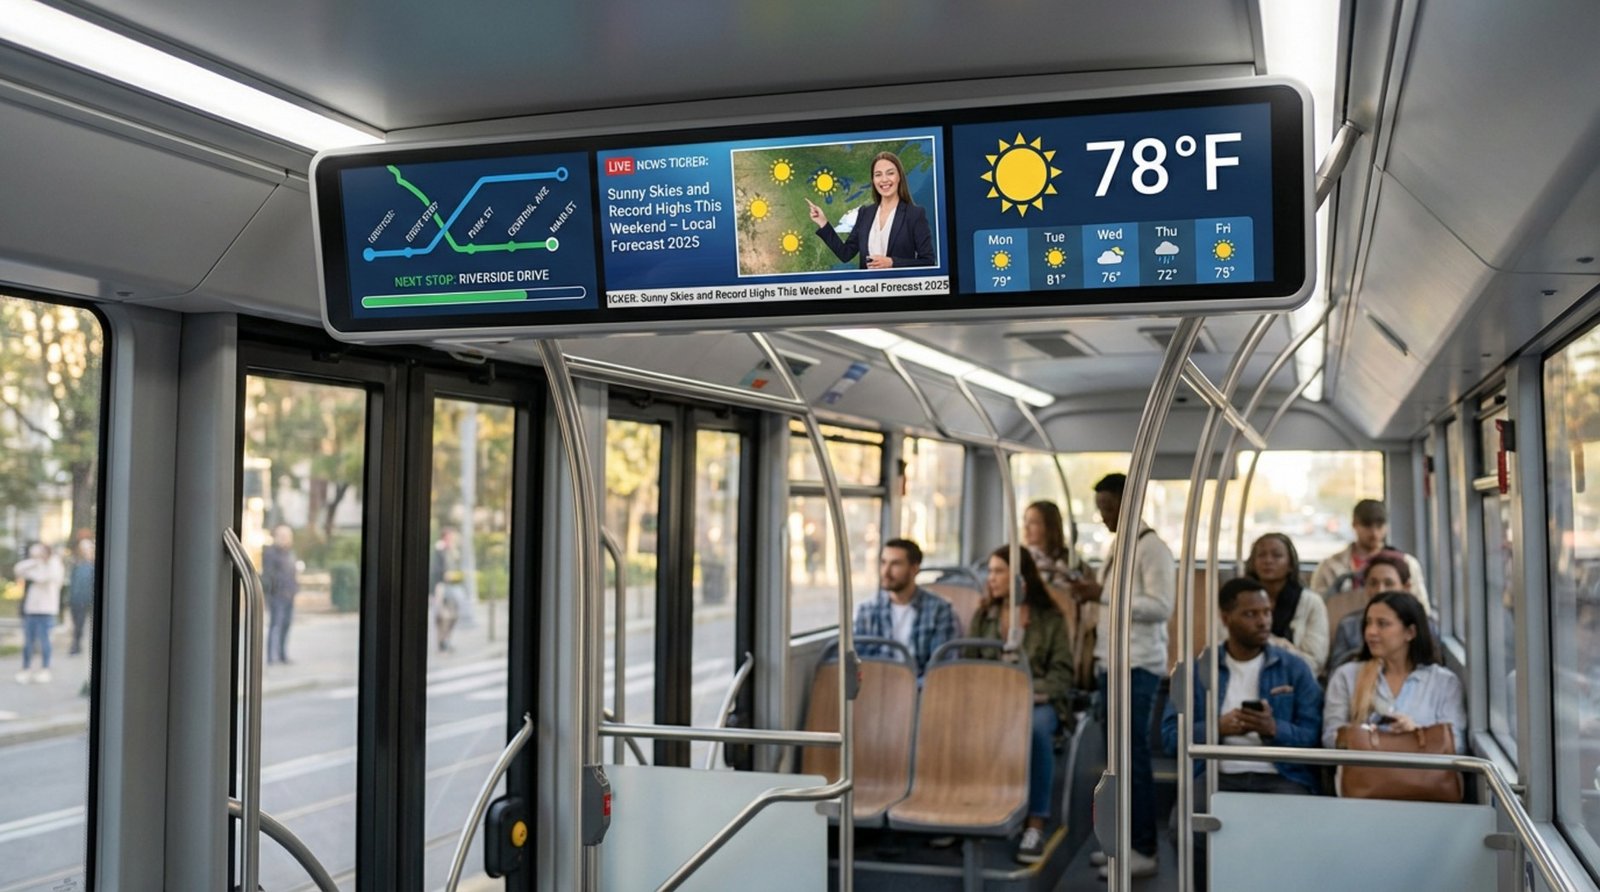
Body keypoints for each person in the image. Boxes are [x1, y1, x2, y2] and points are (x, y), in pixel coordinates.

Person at [1163, 578, 1324, 889]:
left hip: (1281, 775)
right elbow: (1171, 737)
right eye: (1251, 614)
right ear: (1226, 618)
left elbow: (1314, 736)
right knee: (1185, 827)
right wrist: (1217, 728)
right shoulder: (1196, 671)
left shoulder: (1294, 668)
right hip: (1217, 773)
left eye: (1266, 612)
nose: (1263, 621)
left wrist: (1274, 729)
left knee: (1298, 832)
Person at [1068, 473, 1174, 879]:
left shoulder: (1153, 549)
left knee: (1134, 759)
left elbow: (1161, 607)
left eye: (1109, 507)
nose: (1104, 516)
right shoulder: (1118, 546)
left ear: (1130, 505)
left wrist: (1103, 594)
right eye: (1100, 509)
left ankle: (1144, 847)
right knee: (1117, 762)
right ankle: (1122, 843)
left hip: (1138, 666)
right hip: (1112, 663)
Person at [966, 546, 1074, 864]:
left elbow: (1062, 674)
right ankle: (966, 805)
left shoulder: (1050, 619)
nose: (991, 578)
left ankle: (1036, 823)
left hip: (1037, 700)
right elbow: (968, 666)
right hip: (991, 699)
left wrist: (1024, 691)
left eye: (999, 571)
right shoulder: (983, 616)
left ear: (1020, 579)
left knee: (1037, 729)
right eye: (990, 571)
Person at [1323, 591, 1465, 754]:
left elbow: (1456, 745)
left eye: (1382, 624)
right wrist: (1367, 736)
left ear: (1410, 632)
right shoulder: (1346, 676)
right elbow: (1330, 738)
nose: (1371, 631)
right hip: (1366, 770)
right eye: (1368, 623)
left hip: (1421, 770)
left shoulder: (1444, 683)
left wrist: (1416, 733)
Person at [807, 151, 935, 269]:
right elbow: (845, 254)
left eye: (890, 173)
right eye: (878, 175)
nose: (884, 179)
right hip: (867, 286)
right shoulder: (865, 213)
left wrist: (892, 263)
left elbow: (928, 261)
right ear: (873, 180)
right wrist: (823, 222)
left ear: (899, 177)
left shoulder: (914, 214)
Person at [852, 538, 957, 677]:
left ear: (914, 569)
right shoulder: (867, 611)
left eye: (895, 564)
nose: (886, 572)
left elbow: (940, 666)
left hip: (920, 686)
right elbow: (859, 662)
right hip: (876, 685)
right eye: (883, 562)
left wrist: (912, 687)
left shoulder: (939, 610)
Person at [1324, 550, 1440, 673]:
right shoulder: (1348, 625)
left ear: (1406, 587)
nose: (1380, 590)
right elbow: (1336, 672)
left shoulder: (1425, 625)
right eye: (1373, 583)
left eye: (1389, 583)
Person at [1310, 499, 1430, 612]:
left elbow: (1421, 609)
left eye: (1379, 526)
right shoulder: (1329, 567)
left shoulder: (1406, 563)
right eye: (1367, 526)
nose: (1374, 533)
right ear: (1354, 524)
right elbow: (1317, 610)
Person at [1242, 533, 1329, 670]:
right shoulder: (1238, 600)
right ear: (1253, 563)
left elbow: (1315, 661)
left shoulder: (1311, 602)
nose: (1268, 561)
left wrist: (1276, 649)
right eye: (1261, 555)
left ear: (1291, 565)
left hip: (1295, 678)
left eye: (1277, 555)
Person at [15, 542, 64, 683]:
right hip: (31, 610)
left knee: (44, 641)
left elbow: (43, 578)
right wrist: (34, 561)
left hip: (47, 610)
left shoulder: (55, 564)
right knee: (28, 642)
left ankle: (45, 669)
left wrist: (35, 570)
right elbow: (18, 569)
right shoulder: (36, 564)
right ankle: (26, 669)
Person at [1023, 500, 1087, 588]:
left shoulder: (1069, 561)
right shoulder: (1021, 558)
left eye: (1033, 522)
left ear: (1050, 526)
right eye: (1025, 521)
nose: (1026, 527)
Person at [260, 524, 300, 665]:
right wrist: (274, 590)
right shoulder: (270, 553)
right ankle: (271, 657)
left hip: (289, 595)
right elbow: (268, 575)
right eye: (282, 535)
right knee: (275, 625)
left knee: (286, 625)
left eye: (288, 536)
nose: (285, 538)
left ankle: (283, 655)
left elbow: (293, 573)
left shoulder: (290, 553)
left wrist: (295, 589)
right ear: (276, 537)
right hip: (277, 596)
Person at [430, 526, 467, 654]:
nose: (451, 539)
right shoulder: (439, 550)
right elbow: (435, 571)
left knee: (454, 616)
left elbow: (456, 566)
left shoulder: (452, 550)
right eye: (449, 536)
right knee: (443, 616)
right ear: (444, 537)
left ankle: (446, 640)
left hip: (452, 587)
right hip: (441, 587)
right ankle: (442, 642)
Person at [67, 538, 95, 656]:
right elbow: (72, 582)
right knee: (75, 623)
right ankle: (76, 645)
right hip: (75, 599)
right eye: (83, 549)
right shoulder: (76, 565)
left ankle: (75, 645)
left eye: (87, 549)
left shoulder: (92, 566)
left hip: (85, 600)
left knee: (79, 623)